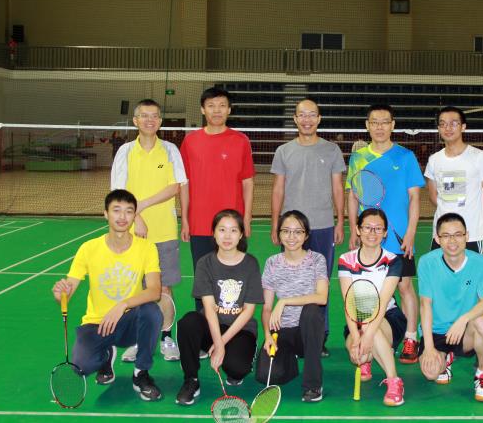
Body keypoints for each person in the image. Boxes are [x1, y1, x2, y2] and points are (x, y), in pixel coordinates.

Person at [50, 189, 163, 401]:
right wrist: (61, 294)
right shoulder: (88, 248)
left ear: (134, 215)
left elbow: (155, 290)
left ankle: (141, 373)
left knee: (151, 311)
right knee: (81, 366)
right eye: (116, 210)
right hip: (97, 324)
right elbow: (69, 289)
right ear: (105, 214)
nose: (122, 217)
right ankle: (106, 356)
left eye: (128, 211)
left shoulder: (147, 248)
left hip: (128, 321)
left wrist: (123, 305)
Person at [346, 104, 424, 364]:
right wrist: (353, 229)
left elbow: (414, 198)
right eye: (374, 122)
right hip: (369, 236)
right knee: (369, 290)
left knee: (404, 286)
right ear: (367, 125)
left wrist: (411, 232)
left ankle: (411, 337)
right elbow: (353, 196)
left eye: (384, 122)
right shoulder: (358, 158)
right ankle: (375, 336)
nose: (379, 127)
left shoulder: (406, 157)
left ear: (393, 125)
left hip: (398, 236)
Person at [111, 98, 187, 362]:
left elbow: (175, 186)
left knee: (163, 289)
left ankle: (166, 337)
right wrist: (136, 217)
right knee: (135, 290)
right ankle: (138, 339)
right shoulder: (125, 152)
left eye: (154, 116)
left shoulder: (170, 150)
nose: (150, 120)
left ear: (160, 121)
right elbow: (118, 193)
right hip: (131, 234)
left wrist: (140, 206)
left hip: (164, 232)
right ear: (135, 121)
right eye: (144, 115)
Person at [270, 98, 345, 356]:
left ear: (319, 118)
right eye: (302, 115)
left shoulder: (332, 150)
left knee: (320, 283)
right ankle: (289, 333)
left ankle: (318, 336)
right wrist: (275, 224)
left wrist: (340, 221)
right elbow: (278, 190)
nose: (307, 120)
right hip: (291, 229)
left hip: (323, 226)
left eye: (312, 114)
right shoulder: (283, 151)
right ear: (295, 119)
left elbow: (338, 188)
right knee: (290, 281)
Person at [175, 210, 263, 405]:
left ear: (241, 234)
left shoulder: (251, 264)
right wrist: (218, 344)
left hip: (240, 329)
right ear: (213, 233)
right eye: (222, 230)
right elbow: (209, 308)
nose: (227, 236)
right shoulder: (205, 263)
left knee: (237, 370)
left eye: (233, 230)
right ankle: (191, 379)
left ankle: (246, 353)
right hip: (212, 324)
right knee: (188, 322)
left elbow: (248, 311)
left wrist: (221, 344)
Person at [180, 87, 255, 310]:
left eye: (222, 105)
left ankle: (231, 326)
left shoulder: (241, 140)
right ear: (203, 110)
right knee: (203, 280)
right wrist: (185, 219)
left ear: (229, 110)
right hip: (200, 224)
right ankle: (204, 326)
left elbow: (248, 182)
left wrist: (246, 219)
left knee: (233, 280)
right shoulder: (190, 141)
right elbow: (184, 184)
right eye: (211, 106)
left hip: (232, 225)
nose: (217, 110)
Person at [418, 212, 483, 402]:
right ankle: (446, 358)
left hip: (464, 332)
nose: (452, 241)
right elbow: (425, 305)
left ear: (467, 236)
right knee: (431, 373)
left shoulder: (481, 263)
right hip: (436, 331)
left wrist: (463, 319)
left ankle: (482, 375)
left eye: (458, 234)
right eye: (446, 235)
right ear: (437, 239)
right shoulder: (427, 262)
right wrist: (429, 347)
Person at [257, 210, 329, 402]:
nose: (291, 237)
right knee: (266, 375)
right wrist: (267, 335)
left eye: (298, 232)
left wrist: (284, 301)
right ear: (279, 234)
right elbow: (267, 308)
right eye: (286, 231)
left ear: (306, 235)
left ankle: (313, 385)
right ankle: (290, 361)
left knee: (311, 311)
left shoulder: (317, 259)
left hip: (309, 331)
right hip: (283, 329)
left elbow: (322, 297)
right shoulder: (272, 263)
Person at [338, 208, 406, 406]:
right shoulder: (346, 260)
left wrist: (366, 335)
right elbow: (349, 303)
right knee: (358, 355)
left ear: (385, 233)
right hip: (357, 319)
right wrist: (356, 337)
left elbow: (382, 303)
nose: (372, 233)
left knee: (369, 330)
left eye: (378, 229)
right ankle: (367, 359)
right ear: (358, 230)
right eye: (367, 227)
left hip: (389, 318)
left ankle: (394, 381)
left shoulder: (393, 261)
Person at [425, 106, 483, 254]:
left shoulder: (480, 157)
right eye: (443, 124)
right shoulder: (434, 160)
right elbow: (433, 196)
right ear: (438, 128)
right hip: (441, 235)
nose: (448, 128)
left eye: (453, 123)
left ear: (463, 127)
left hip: (470, 235)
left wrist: (473, 219)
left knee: (471, 270)